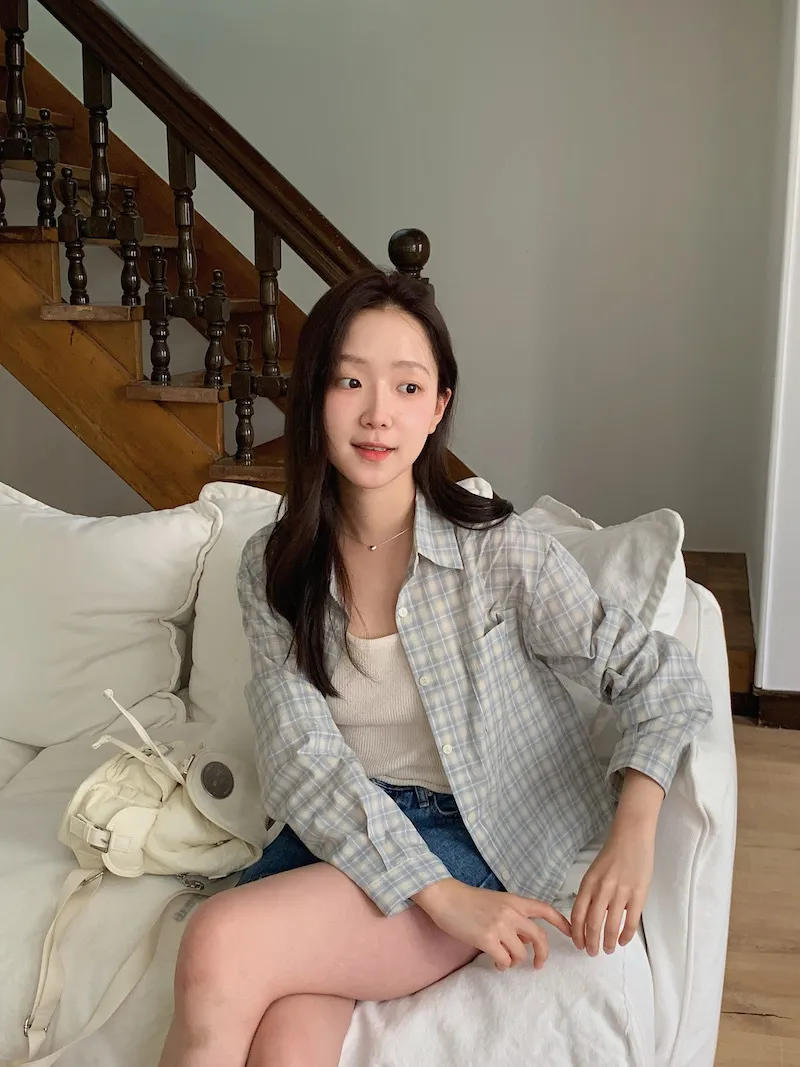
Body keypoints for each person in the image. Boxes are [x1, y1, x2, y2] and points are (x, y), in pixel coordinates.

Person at [157, 269, 713, 1067]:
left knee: (217, 941)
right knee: (286, 1042)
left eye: (408, 386)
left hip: (471, 833)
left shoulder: (500, 552)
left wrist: (634, 828)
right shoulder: (273, 565)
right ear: (314, 394)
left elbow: (662, 676)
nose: (378, 414)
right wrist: (442, 899)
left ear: (438, 404)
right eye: (350, 380)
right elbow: (300, 755)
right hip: (338, 830)